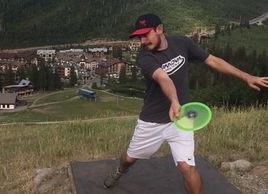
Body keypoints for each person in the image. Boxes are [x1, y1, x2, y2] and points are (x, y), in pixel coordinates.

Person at [103, 13, 268, 194]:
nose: (142, 40)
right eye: (139, 37)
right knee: (129, 159)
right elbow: (164, 78)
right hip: (152, 121)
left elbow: (212, 60)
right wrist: (174, 101)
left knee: (187, 167)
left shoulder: (182, 43)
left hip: (182, 117)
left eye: (146, 35)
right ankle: (120, 171)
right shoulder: (146, 58)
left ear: (159, 29)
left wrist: (247, 77)